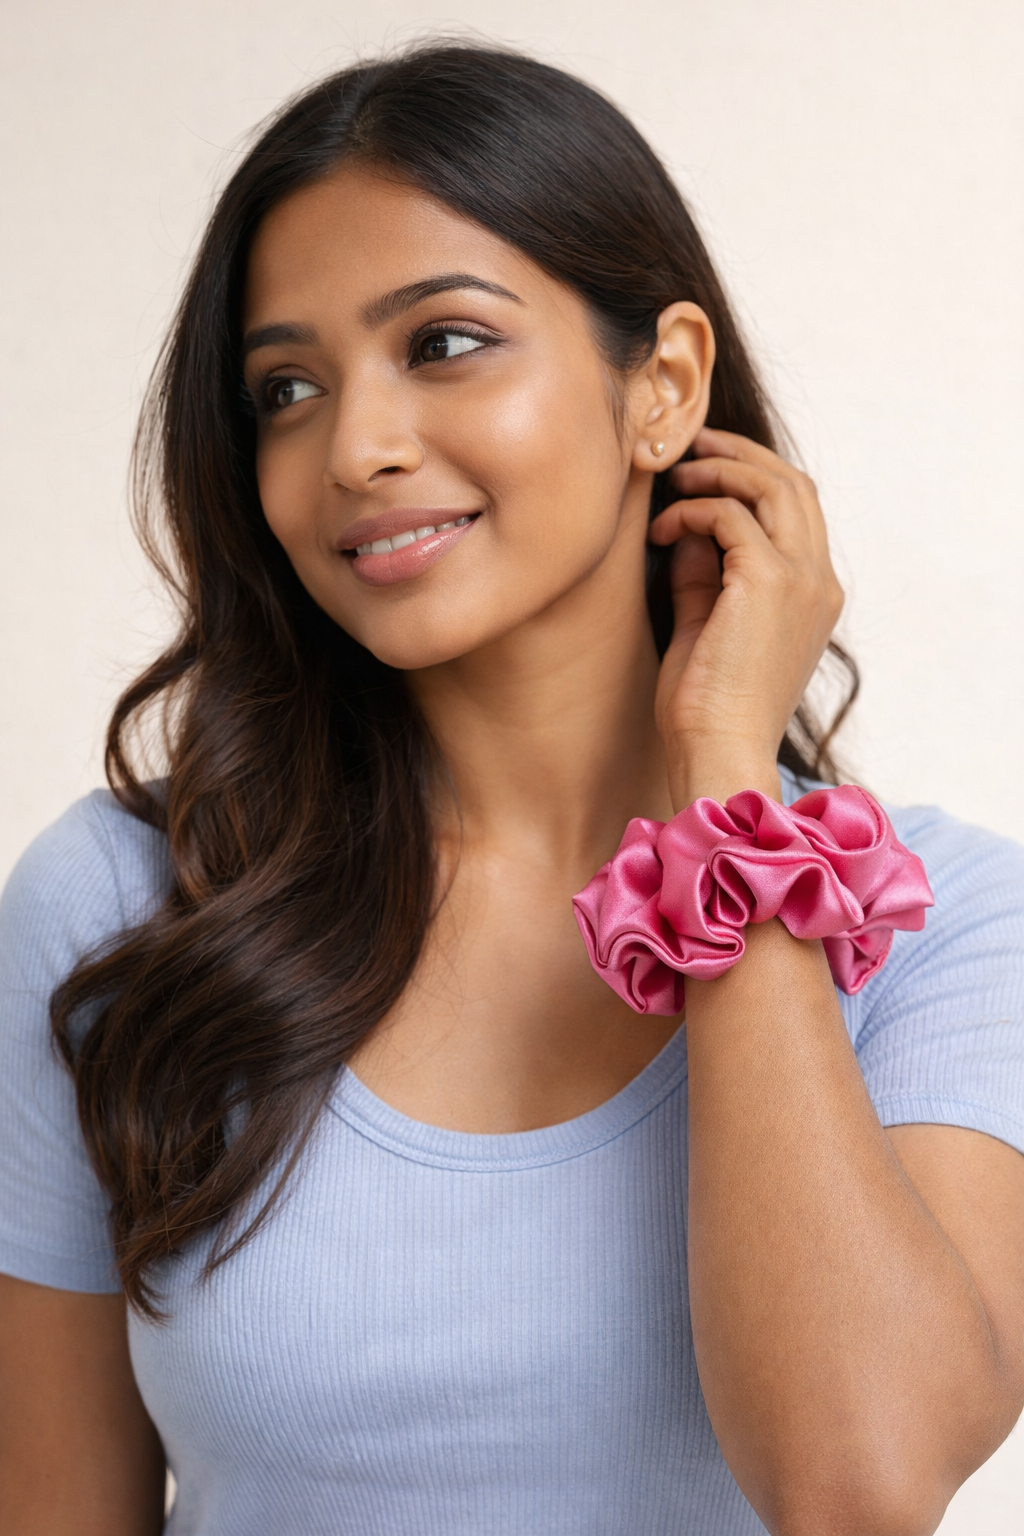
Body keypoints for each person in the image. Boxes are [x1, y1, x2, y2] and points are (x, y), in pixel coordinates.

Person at [1, 42, 1022, 1536]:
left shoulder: (943, 926)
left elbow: (853, 1486)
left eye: (445, 343)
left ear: (663, 387)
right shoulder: (121, 911)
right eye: (285, 387)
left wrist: (726, 788)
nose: (356, 447)